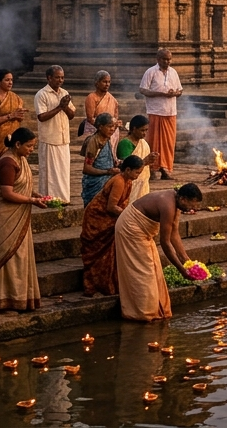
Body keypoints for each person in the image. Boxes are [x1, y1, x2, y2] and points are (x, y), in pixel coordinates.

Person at [114, 183, 202, 322]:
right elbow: (165, 243)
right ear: (183, 199)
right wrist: (181, 270)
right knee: (144, 271)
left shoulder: (176, 202)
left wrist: (187, 261)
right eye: (192, 204)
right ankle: (142, 313)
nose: (193, 208)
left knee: (154, 268)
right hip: (130, 229)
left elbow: (174, 234)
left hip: (143, 231)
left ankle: (158, 310)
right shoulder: (168, 205)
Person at [0, 127, 42, 311]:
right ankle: (1, 299)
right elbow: (7, 193)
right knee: (7, 256)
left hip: (16, 211)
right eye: (29, 146)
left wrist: (37, 195)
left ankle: (18, 297)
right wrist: (32, 200)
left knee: (20, 255)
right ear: (17, 144)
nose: (32, 149)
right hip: (3, 212)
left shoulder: (19, 159)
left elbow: (20, 186)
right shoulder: (8, 162)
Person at [80, 155, 143, 296]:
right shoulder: (119, 181)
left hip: (111, 217)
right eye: (137, 172)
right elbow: (111, 207)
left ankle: (111, 283)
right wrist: (130, 215)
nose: (138, 176)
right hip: (99, 218)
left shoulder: (128, 181)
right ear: (127, 170)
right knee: (98, 253)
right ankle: (96, 284)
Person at [138, 49, 182, 180]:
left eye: (169, 59)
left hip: (170, 112)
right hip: (155, 111)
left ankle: (165, 169)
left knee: (168, 143)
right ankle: (151, 169)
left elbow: (180, 90)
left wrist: (175, 93)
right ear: (158, 59)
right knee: (153, 141)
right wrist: (162, 94)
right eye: (164, 59)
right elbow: (142, 89)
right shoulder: (150, 72)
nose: (167, 62)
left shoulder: (173, 72)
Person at [35, 65, 76, 203]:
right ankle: (49, 199)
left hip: (63, 139)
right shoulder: (42, 94)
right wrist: (59, 107)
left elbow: (72, 115)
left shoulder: (65, 92)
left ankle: (63, 199)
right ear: (49, 78)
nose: (60, 80)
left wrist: (64, 107)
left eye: (62, 77)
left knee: (63, 172)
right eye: (57, 77)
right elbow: (41, 116)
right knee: (50, 173)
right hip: (49, 139)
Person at [80, 112, 120, 206]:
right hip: (95, 184)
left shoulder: (107, 139)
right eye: (110, 126)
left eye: (114, 127)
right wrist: (107, 172)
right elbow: (87, 168)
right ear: (100, 127)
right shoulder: (94, 141)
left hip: (106, 183)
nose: (113, 129)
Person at [116, 115, 158, 201]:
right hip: (130, 183)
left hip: (143, 182)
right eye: (142, 130)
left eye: (146, 130)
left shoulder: (143, 143)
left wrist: (151, 160)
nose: (145, 133)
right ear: (134, 129)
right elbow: (126, 166)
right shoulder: (125, 143)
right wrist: (145, 161)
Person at [81, 70, 120, 139]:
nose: (107, 84)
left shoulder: (113, 100)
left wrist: (115, 124)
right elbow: (90, 119)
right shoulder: (91, 98)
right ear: (97, 83)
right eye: (104, 82)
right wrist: (103, 129)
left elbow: (115, 118)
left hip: (110, 132)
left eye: (109, 82)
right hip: (95, 131)